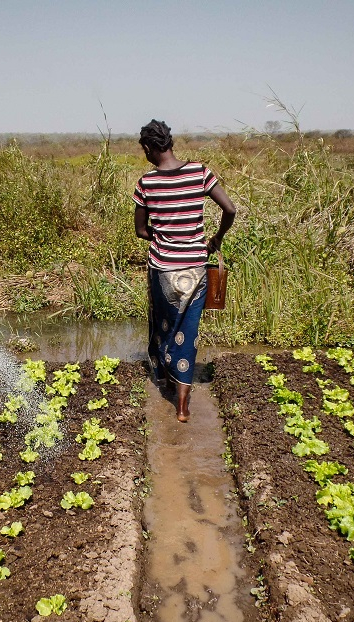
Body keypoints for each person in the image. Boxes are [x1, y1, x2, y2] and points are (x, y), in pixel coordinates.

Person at [133, 119, 235, 422]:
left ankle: (163, 376)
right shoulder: (199, 172)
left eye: (145, 151)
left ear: (150, 148)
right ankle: (182, 405)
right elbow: (229, 209)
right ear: (170, 142)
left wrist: (163, 236)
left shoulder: (146, 183)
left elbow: (140, 230)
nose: (146, 156)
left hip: (164, 270)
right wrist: (215, 238)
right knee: (187, 333)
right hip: (196, 269)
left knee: (164, 325)